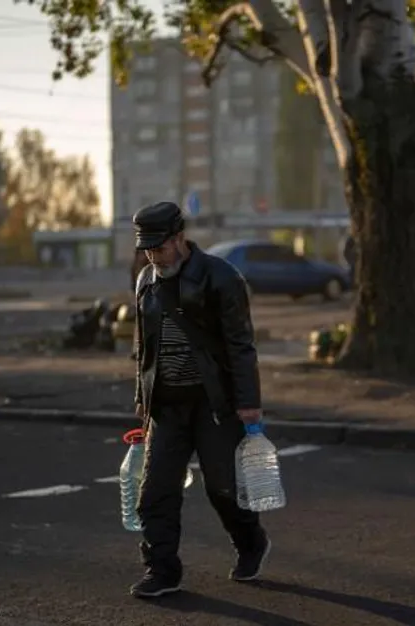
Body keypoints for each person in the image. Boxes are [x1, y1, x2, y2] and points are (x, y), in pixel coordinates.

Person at [131, 201, 268, 598]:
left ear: (179, 239)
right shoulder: (146, 281)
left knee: (223, 488)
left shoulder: (221, 277)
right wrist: (141, 396)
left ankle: (250, 542)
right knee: (155, 492)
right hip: (166, 406)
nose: (154, 256)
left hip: (214, 403)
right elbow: (143, 346)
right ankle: (162, 571)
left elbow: (241, 344)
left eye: (160, 247)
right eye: (148, 249)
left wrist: (248, 402)